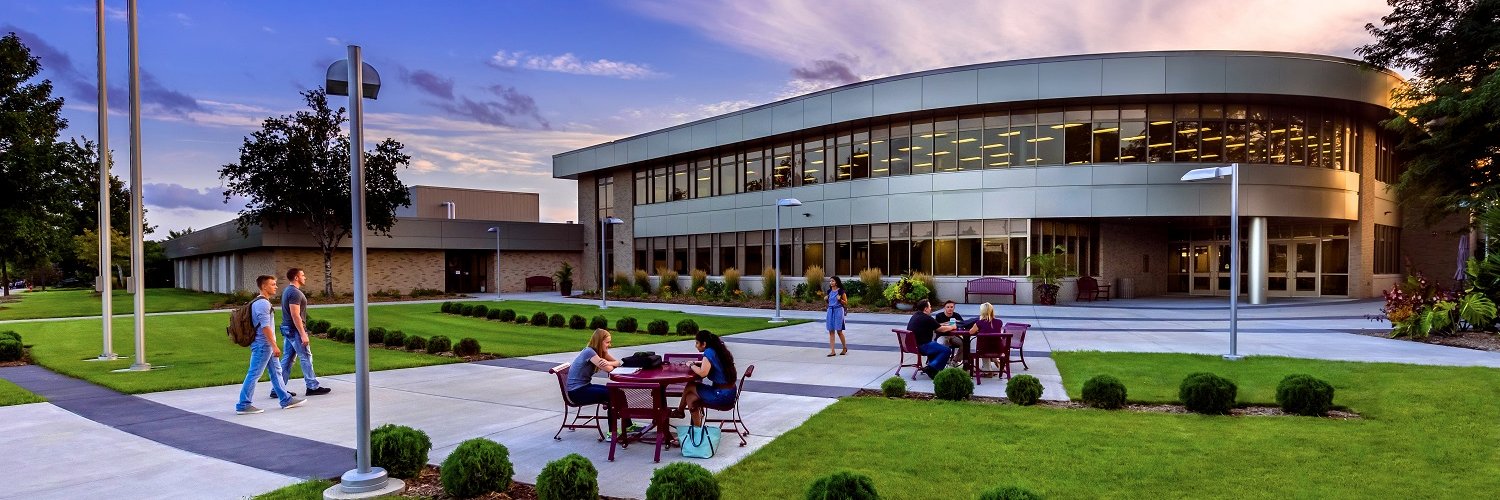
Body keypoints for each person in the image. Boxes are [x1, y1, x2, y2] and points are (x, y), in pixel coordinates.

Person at [236, 275, 306, 414]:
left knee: (276, 372)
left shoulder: (259, 302)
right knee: (254, 373)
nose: (276, 286)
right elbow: (265, 327)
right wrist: (274, 345)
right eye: (273, 284)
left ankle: (285, 399)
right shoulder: (262, 304)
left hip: (264, 345)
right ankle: (243, 404)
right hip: (263, 346)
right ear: (264, 286)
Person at [276, 268, 329, 398]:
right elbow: (295, 315)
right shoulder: (295, 293)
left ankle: (277, 389)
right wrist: (303, 334)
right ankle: (312, 386)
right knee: (306, 356)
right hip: (294, 330)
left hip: (287, 329)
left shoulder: (288, 291)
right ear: (296, 277)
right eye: (303, 275)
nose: (305, 277)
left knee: (288, 359)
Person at [565, 328, 632, 430]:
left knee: (619, 392)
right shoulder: (589, 352)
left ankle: (628, 426)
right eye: (607, 342)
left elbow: (618, 363)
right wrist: (609, 364)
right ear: (599, 342)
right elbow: (611, 370)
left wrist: (609, 362)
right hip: (577, 392)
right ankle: (612, 432)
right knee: (612, 395)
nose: (609, 345)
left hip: (584, 387)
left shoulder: (600, 353)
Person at [680, 330, 737, 426]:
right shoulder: (718, 349)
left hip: (721, 396)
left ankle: (679, 411)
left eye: (697, 343)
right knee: (690, 398)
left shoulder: (709, 352)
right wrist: (698, 363)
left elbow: (703, 373)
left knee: (690, 386)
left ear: (704, 344)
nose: (696, 345)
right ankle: (697, 431)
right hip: (729, 393)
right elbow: (715, 364)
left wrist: (691, 365)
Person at [906, 299, 957, 378]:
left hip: (912, 345)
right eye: (929, 307)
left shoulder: (915, 315)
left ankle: (932, 367)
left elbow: (936, 326)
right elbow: (940, 329)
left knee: (937, 346)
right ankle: (931, 368)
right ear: (925, 308)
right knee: (946, 350)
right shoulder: (927, 318)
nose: (931, 308)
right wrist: (952, 327)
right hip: (922, 345)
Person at [969, 302, 1003, 373]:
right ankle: (993, 361)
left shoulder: (979, 322)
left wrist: (978, 329)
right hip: (998, 349)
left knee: (984, 346)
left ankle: (987, 370)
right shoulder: (999, 322)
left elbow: (971, 332)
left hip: (983, 350)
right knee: (990, 344)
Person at [933, 300, 966, 365]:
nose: (950, 309)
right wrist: (946, 324)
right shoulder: (939, 316)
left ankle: (955, 360)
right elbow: (935, 327)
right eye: (948, 307)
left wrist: (958, 322)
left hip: (954, 336)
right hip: (942, 336)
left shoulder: (956, 315)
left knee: (965, 344)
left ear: (954, 308)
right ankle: (944, 361)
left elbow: (963, 325)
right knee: (941, 345)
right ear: (944, 308)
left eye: (951, 307)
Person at [825, 276, 849, 357]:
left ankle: (844, 348)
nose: (831, 282)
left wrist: (840, 300)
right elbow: (829, 302)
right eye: (830, 281)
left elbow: (846, 303)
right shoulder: (829, 291)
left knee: (839, 331)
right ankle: (832, 351)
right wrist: (826, 300)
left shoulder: (841, 291)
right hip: (830, 311)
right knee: (831, 331)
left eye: (832, 281)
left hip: (838, 310)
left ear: (836, 282)